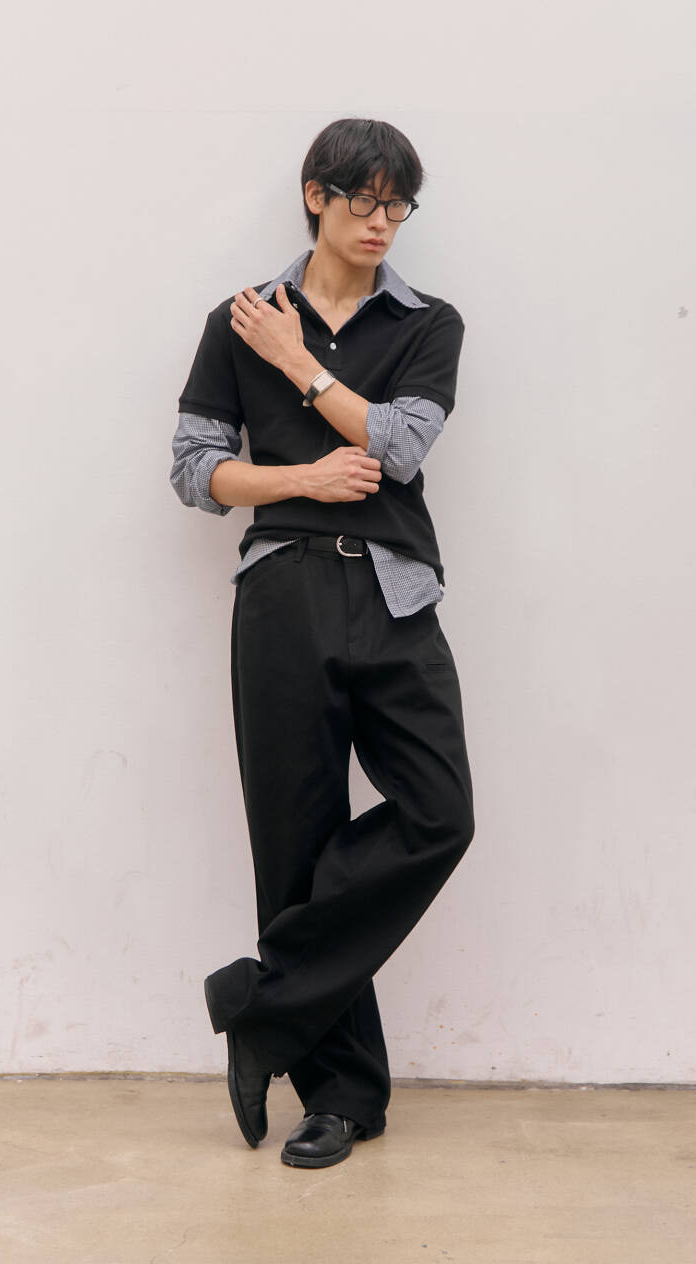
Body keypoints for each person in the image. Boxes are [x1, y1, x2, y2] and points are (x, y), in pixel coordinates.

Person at [170, 117, 475, 1169]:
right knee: (295, 844)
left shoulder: (427, 323)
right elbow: (194, 471)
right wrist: (299, 479)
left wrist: (297, 365)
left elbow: (400, 447)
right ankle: (339, 1097)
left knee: (440, 813)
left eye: (399, 204)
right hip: (283, 593)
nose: (384, 221)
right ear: (317, 196)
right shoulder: (238, 320)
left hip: (395, 591)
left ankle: (262, 1003)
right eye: (365, 199)